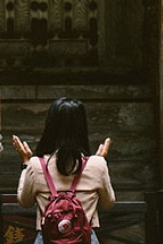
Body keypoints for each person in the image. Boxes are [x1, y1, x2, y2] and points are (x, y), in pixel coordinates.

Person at [12, 97, 116, 244]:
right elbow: (108, 203)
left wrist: (26, 164)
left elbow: (24, 201)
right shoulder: (98, 164)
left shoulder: (36, 165)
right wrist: (98, 163)